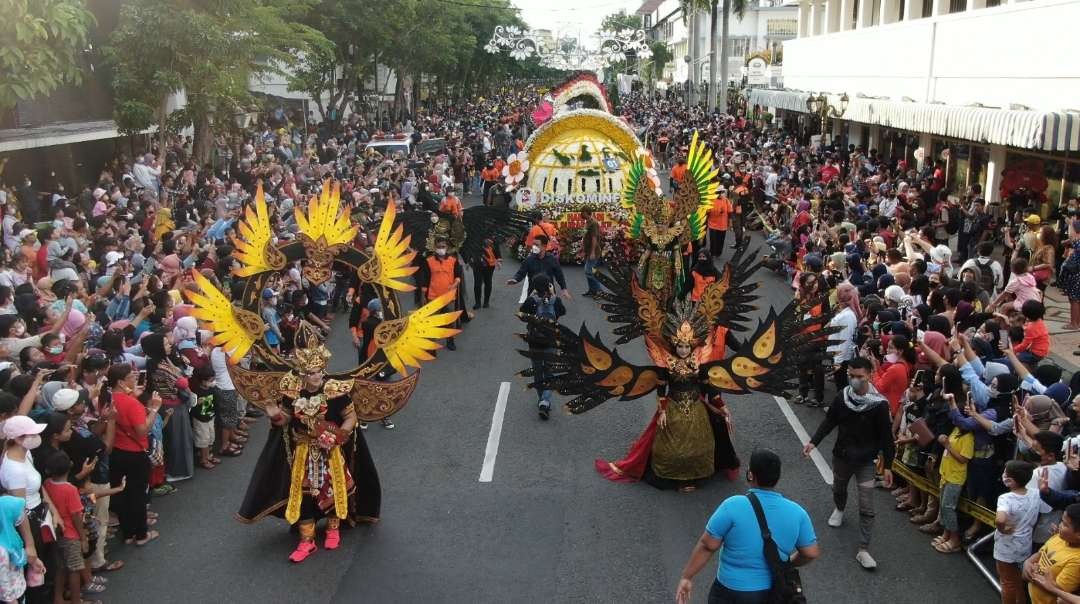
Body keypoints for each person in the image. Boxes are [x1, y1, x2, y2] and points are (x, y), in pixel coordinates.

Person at [236, 323, 381, 563]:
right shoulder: (292, 393)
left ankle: (333, 529)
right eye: (313, 372)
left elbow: (350, 417)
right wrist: (273, 414)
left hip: (331, 450)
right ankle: (307, 540)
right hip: (303, 451)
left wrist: (336, 436)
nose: (318, 375)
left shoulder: (335, 390)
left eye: (320, 371)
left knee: (333, 489)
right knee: (303, 494)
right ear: (303, 374)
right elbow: (285, 420)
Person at [674, 449, 820, 604]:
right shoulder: (797, 513)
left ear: (750, 475)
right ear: (777, 477)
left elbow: (707, 546)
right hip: (771, 592)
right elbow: (810, 553)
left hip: (729, 591)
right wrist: (787, 563)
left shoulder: (732, 506)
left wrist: (687, 577)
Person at [804, 357, 895, 570]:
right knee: (839, 488)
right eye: (851, 376)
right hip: (843, 456)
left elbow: (886, 438)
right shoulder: (842, 397)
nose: (854, 380)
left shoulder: (879, 405)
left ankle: (863, 549)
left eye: (859, 377)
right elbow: (830, 421)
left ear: (870, 375)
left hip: (866, 461)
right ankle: (840, 508)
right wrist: (813, 442)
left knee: (866, 503)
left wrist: (889, 465)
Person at [106, 364, 160, 546]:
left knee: (122, 494)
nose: (135, 378)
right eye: (131, 376)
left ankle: (128, 533)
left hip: (116, 452)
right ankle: (141, 534)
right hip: (135, 454)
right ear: (121, 382)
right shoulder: (132, 404)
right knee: (137, 494)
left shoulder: (107, 398)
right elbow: (142, 431)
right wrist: (153, 409)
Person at [518, 275, 565, 420]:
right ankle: (545, 400)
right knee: (550, 373)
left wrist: (530, 297)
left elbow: (521, 315)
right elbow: (562, 312)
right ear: (549, 286)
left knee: (538, 372)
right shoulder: (555, 301)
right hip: (551, 341)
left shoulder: (531, 301)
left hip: (534, 342)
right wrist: (554, 296)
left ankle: (542, 400)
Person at [995, 460, 1040, 604]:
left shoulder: (1006, 499)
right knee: (1018, 579)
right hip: (1025, 544)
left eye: (1005, 473)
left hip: (1006, 546)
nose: (1003, 475)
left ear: (1011, 480)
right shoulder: (1035, 493)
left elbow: (1000, 520)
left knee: (1007, 582)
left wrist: (1002, 529)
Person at [1024, 502, 1080, 604]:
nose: (1059, 525)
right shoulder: (1059, 537)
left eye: (1065, 524)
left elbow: (1059, 591)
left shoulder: (1077, 560)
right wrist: (1028, 562)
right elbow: (1041, 553)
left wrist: (1031, 574)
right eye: (1061, 521)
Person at [417, 237, 463, 351]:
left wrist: (455, 284)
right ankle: (431, 346)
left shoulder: (453, 260)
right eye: (438, 247)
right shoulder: (429, 261)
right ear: (434, 248)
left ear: (447, 247)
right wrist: (423, 297)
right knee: (432, 322)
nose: (441, 249)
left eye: (443, 247)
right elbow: (424, 279)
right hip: (433, 297)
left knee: (450, 321)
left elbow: (458, 275)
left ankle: (450, 341)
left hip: (449, 297)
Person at [506, 235, 570, 300]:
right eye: (533, 244)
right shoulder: (529, 260)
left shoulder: (552, 259)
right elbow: (521, 273)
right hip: (533, 294)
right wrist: (515, 279)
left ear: (544, 246)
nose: (534, 247)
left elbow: (559, 275)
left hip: (549, 294)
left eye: (537, 245)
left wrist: (564, 289)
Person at [580, 208, 603, 297]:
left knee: (589, 271)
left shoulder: (593, 223)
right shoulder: (587, 222)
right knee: (588, 272)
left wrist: (593, 252)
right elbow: (585, 235)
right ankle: (592, 290)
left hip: (593, 252)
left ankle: (599, 291)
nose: (581, 214)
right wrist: (582, 248)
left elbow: (594, 238)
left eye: (582, 213)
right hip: (588, 251)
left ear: (587, 213)